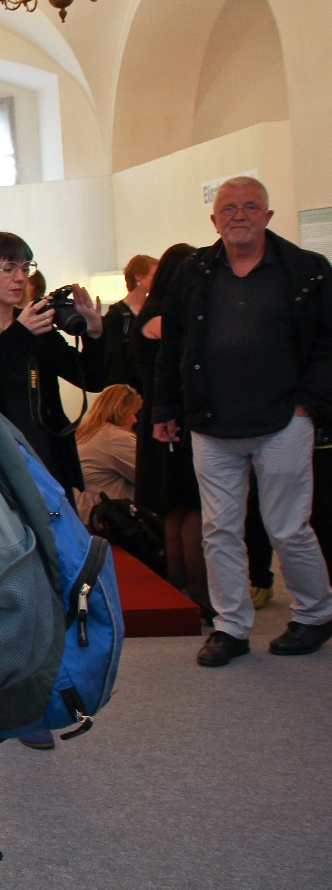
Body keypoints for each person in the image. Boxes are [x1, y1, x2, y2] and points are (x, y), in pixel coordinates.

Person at [153, 176, 332, 666]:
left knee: (288, 528)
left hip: (284, 421)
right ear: (214, 221)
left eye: (250, 207)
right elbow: (173, 346)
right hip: (211, 425)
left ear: (267, 216)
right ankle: (230, 627)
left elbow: (327, 343)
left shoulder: (306, 270)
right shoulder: (193, 273)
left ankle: (315, 615)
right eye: (229, 208)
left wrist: (308, 404)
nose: (239, 215)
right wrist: (165, 408)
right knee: (219, 530)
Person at [0, 231, 108, 499]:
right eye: (8, 268)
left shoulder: (38, 327)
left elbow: (91, 379)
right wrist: (20, 335)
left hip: (48, 459)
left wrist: (94, 336)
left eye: (25, 268)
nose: (20, 278)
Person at [132, 243, 209, 616]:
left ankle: (182, 588)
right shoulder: (160, 315)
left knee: (177, 508)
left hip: (162, 416)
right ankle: (197, 591)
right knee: (189, 506)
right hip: (170, 419)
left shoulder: (154, 310)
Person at [76, 383, 142, 525]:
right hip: (109, 519)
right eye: (132, 413)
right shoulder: (116, 438)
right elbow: (150, 478)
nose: (135, 420)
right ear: (120, 410)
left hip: (84, 514)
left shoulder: (86, 433)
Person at [104, 254, 156, 389]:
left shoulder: (154, 310)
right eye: (153, 275)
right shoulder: (116, 314)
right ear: (138, 276)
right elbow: (114, 358)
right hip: (129, 386)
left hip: (151, 383)